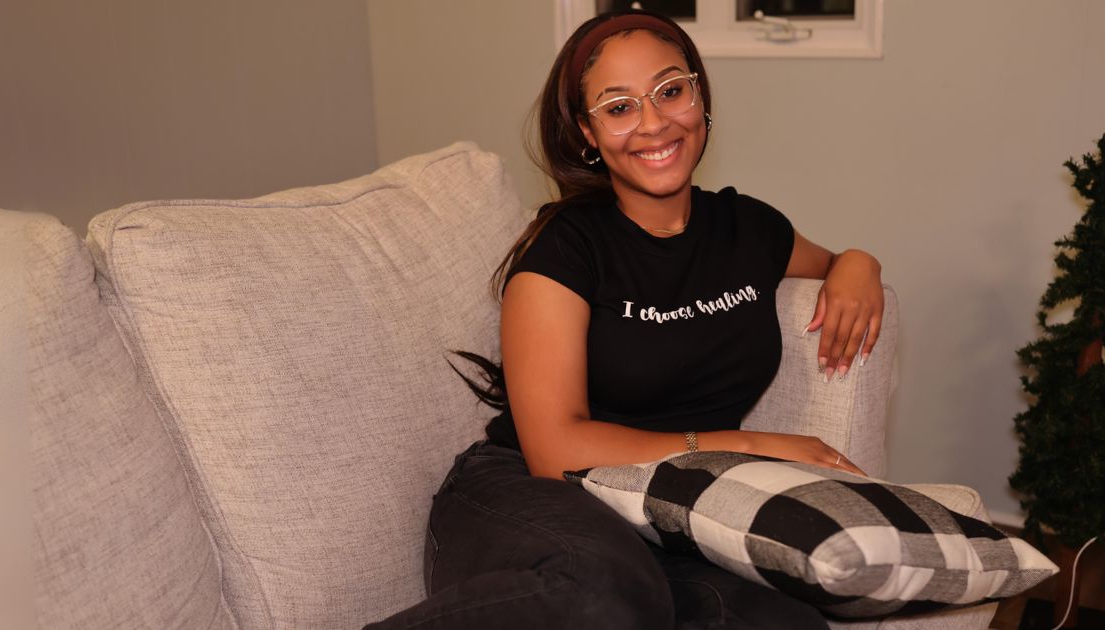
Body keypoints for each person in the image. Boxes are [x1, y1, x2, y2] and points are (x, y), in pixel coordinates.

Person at [367, 10, 884, 630]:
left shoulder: (750, 229)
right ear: (587, 132)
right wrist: (746, 444)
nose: (654, 123)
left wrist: (860, 262)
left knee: (784, 622)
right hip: (532, 495)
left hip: (664, 509)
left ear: (700, 97)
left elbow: (832, 263)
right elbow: (554, 450)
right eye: (618, 107)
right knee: (604, 595)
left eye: (671, 91)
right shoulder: (565, 250)